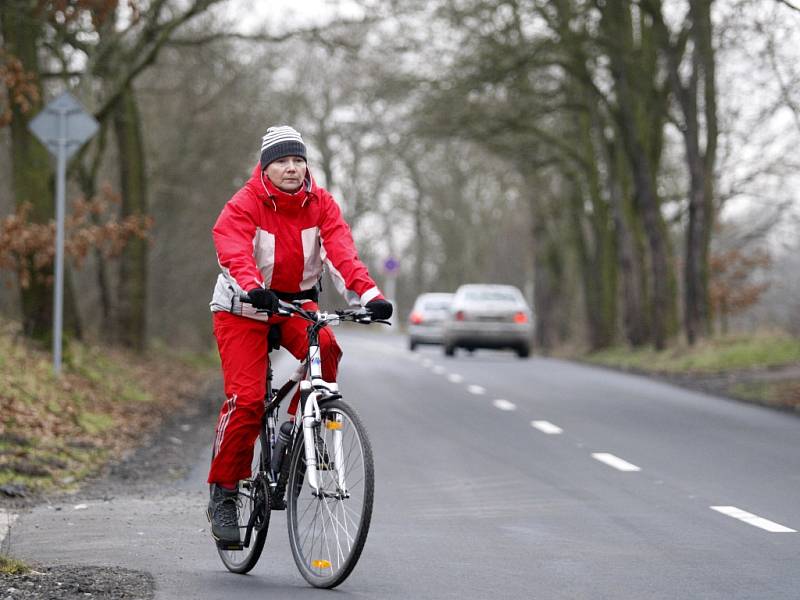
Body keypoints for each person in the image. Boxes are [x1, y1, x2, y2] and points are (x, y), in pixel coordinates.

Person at [206, 125, 392, 546]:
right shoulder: (245, 203)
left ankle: (297, 425)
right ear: (265, 167)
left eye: (298, 160)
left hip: (295, 304)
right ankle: (224, 491)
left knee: (326, 346)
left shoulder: (321, 203)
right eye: (282, 161)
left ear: (306, 165)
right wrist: (253, 285)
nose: (291, 168)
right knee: (248, 400)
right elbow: (231, 247)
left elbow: (342, 252)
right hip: (243, 307)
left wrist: (370, 294)